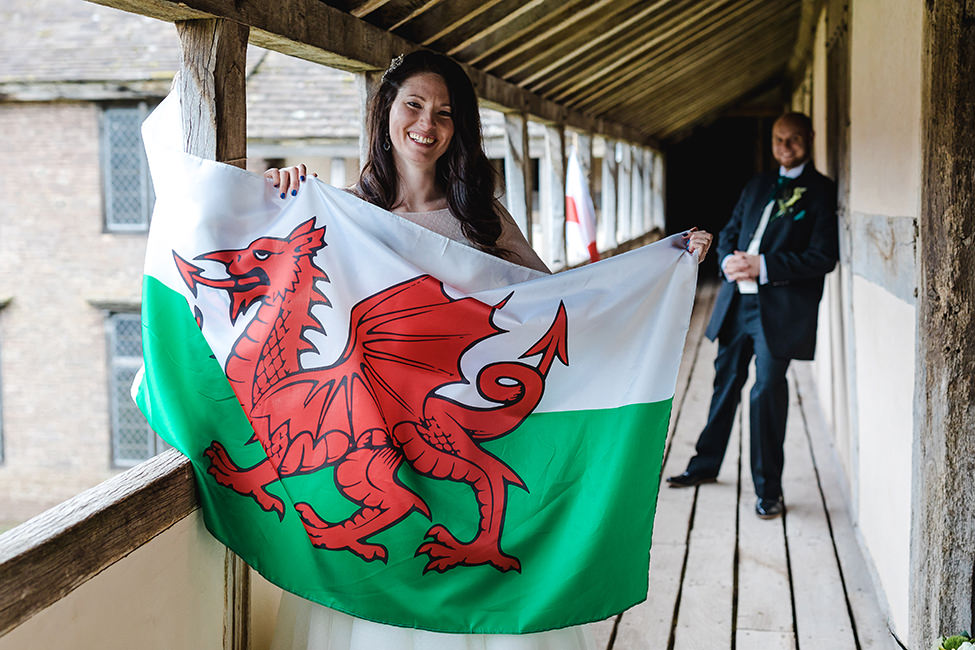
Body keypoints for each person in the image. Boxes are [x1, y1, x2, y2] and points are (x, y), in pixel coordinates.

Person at [263, 50, 713, 650]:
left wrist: (664, 262)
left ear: (460, 129)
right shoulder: (343, 212)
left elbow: (561, 301)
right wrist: (273, 193)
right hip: (378, 428)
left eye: (445, 114)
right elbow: (272, 274)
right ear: (385, 112)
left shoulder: (481, 219)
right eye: (414, 105)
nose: (427, 125)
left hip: (455, 414)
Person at [666, 112, 838, 520]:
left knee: (766, 393)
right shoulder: (758, 184)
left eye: (794, 140)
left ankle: (769, 490)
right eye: (780, 140)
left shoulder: (819, 191)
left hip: (778, 308)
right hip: (735, 302)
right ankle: (704, 465)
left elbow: (823, 257)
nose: (785, 147)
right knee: (725, 381)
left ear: (809, 139)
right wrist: (726, 260)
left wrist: (764, 266)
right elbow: (729, 232)